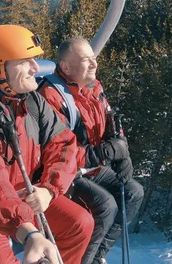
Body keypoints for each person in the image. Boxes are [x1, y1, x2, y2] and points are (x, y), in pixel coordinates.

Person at [0, 25, 94, 264]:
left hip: (24, 193)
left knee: (80, 224)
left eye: (33, 59)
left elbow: (64, 144)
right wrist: (29, 231)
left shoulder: (34, 103)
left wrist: (48, 189)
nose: (35, 68)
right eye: (24, 61)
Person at [38, 37, 144, 264]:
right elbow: (57, 150)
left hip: (92, 169)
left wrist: (121, 150)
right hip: (67, 173)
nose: (94, 65)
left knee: (134, 192)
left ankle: (97, 256)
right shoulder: (53, 96)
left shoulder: (95, 88)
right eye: (87, 60)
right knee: (106, 206)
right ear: (66, 67)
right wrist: (103, 153)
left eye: (93, 59)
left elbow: (111, 123)